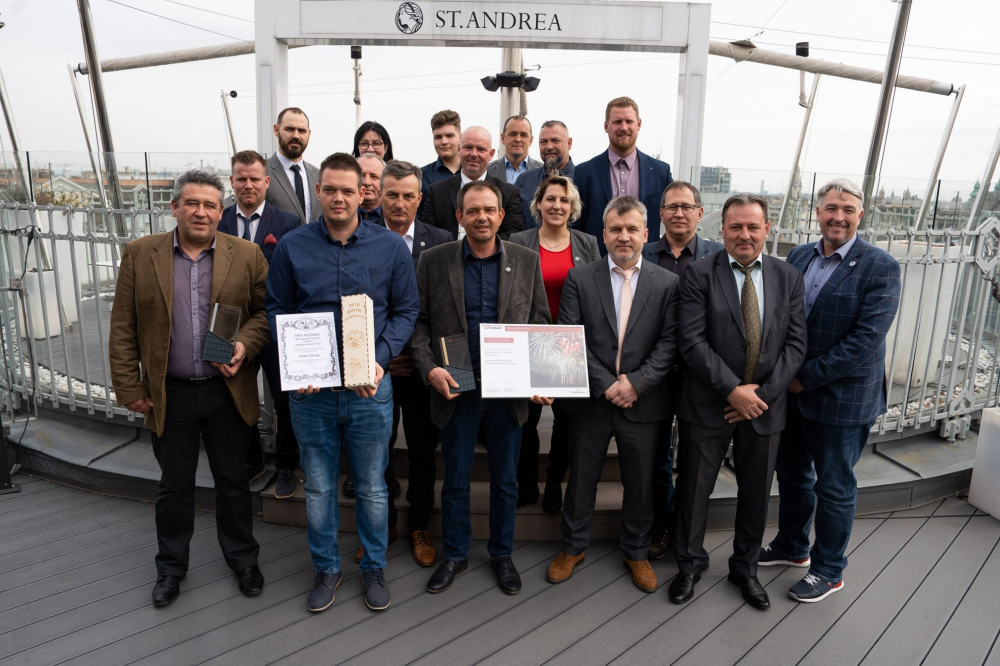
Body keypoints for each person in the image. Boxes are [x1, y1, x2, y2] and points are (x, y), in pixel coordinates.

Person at [265, 153, 419, 613]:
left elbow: (406, 311)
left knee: (372, 487)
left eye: (348, 190)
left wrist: (380, 360)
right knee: (317, 488)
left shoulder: (390, 248)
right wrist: (297, 364)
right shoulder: (292, 246)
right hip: (311, 395)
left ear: (362, 193)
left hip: (371, 390)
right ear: (318, 192)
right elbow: (276, 309)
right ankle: (327, 568)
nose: (338, 198)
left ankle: (374, 566)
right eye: (330, 189)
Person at [109, 169, 270, 607]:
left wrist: (244, 344)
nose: (201, 212)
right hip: (170, 393)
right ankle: (171, 569)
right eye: (192, 203)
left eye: (210, 205)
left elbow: (264, 314)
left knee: (233, 483)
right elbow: (123, 325)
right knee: (173, 486)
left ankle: (243, 560)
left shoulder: (248, 254)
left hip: (226, 391)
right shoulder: (140, 254)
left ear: (221, 211)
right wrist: (129, 387)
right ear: (175, 207)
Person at [760, 178, 901, 603]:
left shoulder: (880, 266)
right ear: (817, 212)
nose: (838, 217)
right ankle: (792, 546)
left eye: (848, 210)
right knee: (793, 476)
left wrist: (805, 376)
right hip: (793, 393)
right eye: (831, 208)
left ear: (861, 216)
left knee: (835, 487)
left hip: (842, 398)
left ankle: (828, 570)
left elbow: (865, 341)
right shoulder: (799, 255)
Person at [410, 180, 550, 596]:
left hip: (508, 391)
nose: (482, 217)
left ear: (501, 215)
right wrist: (429, 369)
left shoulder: (526, 261)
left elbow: (540, 322)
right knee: (455, 478)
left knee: (506, 480)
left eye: (489, 210)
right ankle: (454, 554)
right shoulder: (433, 261)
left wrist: (537, 376)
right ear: (459, 216)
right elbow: (417, 324)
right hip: (457, 386)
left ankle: (501, 553)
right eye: (472, 211)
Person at [670, 193, 807, 611]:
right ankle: (689, 565)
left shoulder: (788, 277)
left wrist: (760, 397)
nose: (744, 234)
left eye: (752, 226)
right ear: (722, 230)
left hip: (765, 408)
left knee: (756, 494)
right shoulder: (698, 274)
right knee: (694, 490)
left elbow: (796, 345)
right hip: (707, 403)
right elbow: (691, 341)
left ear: (767, 229)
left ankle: (744, 569)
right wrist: (732, 391)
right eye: (735, 227)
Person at [545, 195, 679, 593]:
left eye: (632, 229)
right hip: (591, 399)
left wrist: (636, 382)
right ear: (603, 234)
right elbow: (569, 338)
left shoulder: (667, 283)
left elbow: (670, 343)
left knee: (641, 484)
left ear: (645, 234)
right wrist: (607, 383)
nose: (624, 237)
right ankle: (572, 547)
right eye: (616, 229)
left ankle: (636, 551)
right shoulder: (579, 278)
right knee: (581, 479)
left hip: (644, 400)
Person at [354, 160, 452, 568]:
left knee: (423, 452)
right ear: (378, 195)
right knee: (375, 453)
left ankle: (419, 525)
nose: (399, 202)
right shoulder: (360, 238)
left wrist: (418, 356)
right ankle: (383, 526)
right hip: (377, 367)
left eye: (407, 195)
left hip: (422, 369)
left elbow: (441, 309)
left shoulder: (442, 240)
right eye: (391, 194)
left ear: (420, 198)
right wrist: (383, 356)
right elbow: (356, 305)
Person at [639, 181, 724, 559]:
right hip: (652, 373)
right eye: (671, 207)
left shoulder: (718, 256)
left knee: (693, 459)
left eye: (686, 207)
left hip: (700, 376)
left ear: (699, 213)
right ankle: (660, 525)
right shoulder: (641, 254)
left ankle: (686, 530)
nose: (678, 213)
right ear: (660, 214)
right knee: (656, 456)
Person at [508, 175, 599, 513]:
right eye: (550, 199)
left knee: (566, 422)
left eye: (564, 200)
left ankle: (554, 481)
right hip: (529, 343)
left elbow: (595, 294)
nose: (557, 205)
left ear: (572, 207)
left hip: (571, 347)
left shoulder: (588, 244)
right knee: (526, 420)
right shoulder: (519, 241)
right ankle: (527, 482)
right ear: (538, 204)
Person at [219, 150, 303, 500]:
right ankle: (251, 460)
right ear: (232, 181)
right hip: (227, 325)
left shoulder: (288, 224)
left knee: (285, 399)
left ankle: (286, 465)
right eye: (242, 178)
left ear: (267, 182)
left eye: (255, 178)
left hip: (273, 324)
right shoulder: (219, 220)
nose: (248, 184)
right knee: (234, 396)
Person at [573, 97, 672, 254]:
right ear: (606, 126)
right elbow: (574, 226)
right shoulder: (584, 173)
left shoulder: (660, 172)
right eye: (617, 122)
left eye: (629, 121)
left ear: (639, 124)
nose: (623, 127)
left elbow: (673, 217)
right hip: (597, 261)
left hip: (647, 262)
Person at [420, 126, 524, 241]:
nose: (474, 154)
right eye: (468, 148)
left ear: (491, 154)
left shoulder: (509, 193)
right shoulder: (436, 192)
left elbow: (513, 234)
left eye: (481, 149)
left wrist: (483, 247)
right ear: (459, 150)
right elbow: (428, 233)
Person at [266, 107, 320, 224]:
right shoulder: (262, 172)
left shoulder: (319, 176)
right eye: (289, 129)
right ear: (276, 130)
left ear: (309, 134)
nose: (296, 136)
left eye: (302, 131)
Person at [517, 120, 575, 227]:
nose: (549, 147)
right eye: (543, 142)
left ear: (569, 143)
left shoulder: (583, 179)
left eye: (555, 140)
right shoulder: (524, 181)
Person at [419, 109, 462, 219]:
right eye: (438, 137)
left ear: (461, 137)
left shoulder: (475, 173)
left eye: (449, 136)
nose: (444, 142)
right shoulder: (421, 176)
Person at [487, 115, 542, 185]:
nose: (518, 139)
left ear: (531, 140)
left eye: (523, 135)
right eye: (513, 134)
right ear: (503, 138)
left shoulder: (543, 172)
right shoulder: (488, 171)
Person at [357, 153, 385, 225]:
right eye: (361, 176)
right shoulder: (339, 215)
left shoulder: (395, 216)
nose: (367, 182)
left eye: (374, 176)